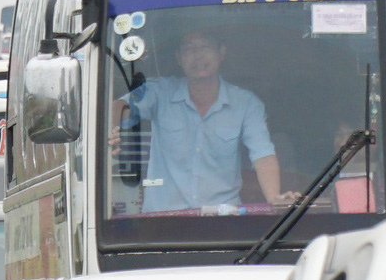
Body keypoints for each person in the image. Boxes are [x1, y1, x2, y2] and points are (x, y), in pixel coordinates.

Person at [109, 29, 299, 212]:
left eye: (205, 47)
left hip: (222, 220)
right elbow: (120, 108)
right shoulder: (158, 91)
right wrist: (113, 130)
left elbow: (262, 154)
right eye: (189, 48)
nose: (197, 56)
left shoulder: (246, 103)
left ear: (221, 53)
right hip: (162, 223)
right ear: (179, 58)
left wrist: (274, 199)